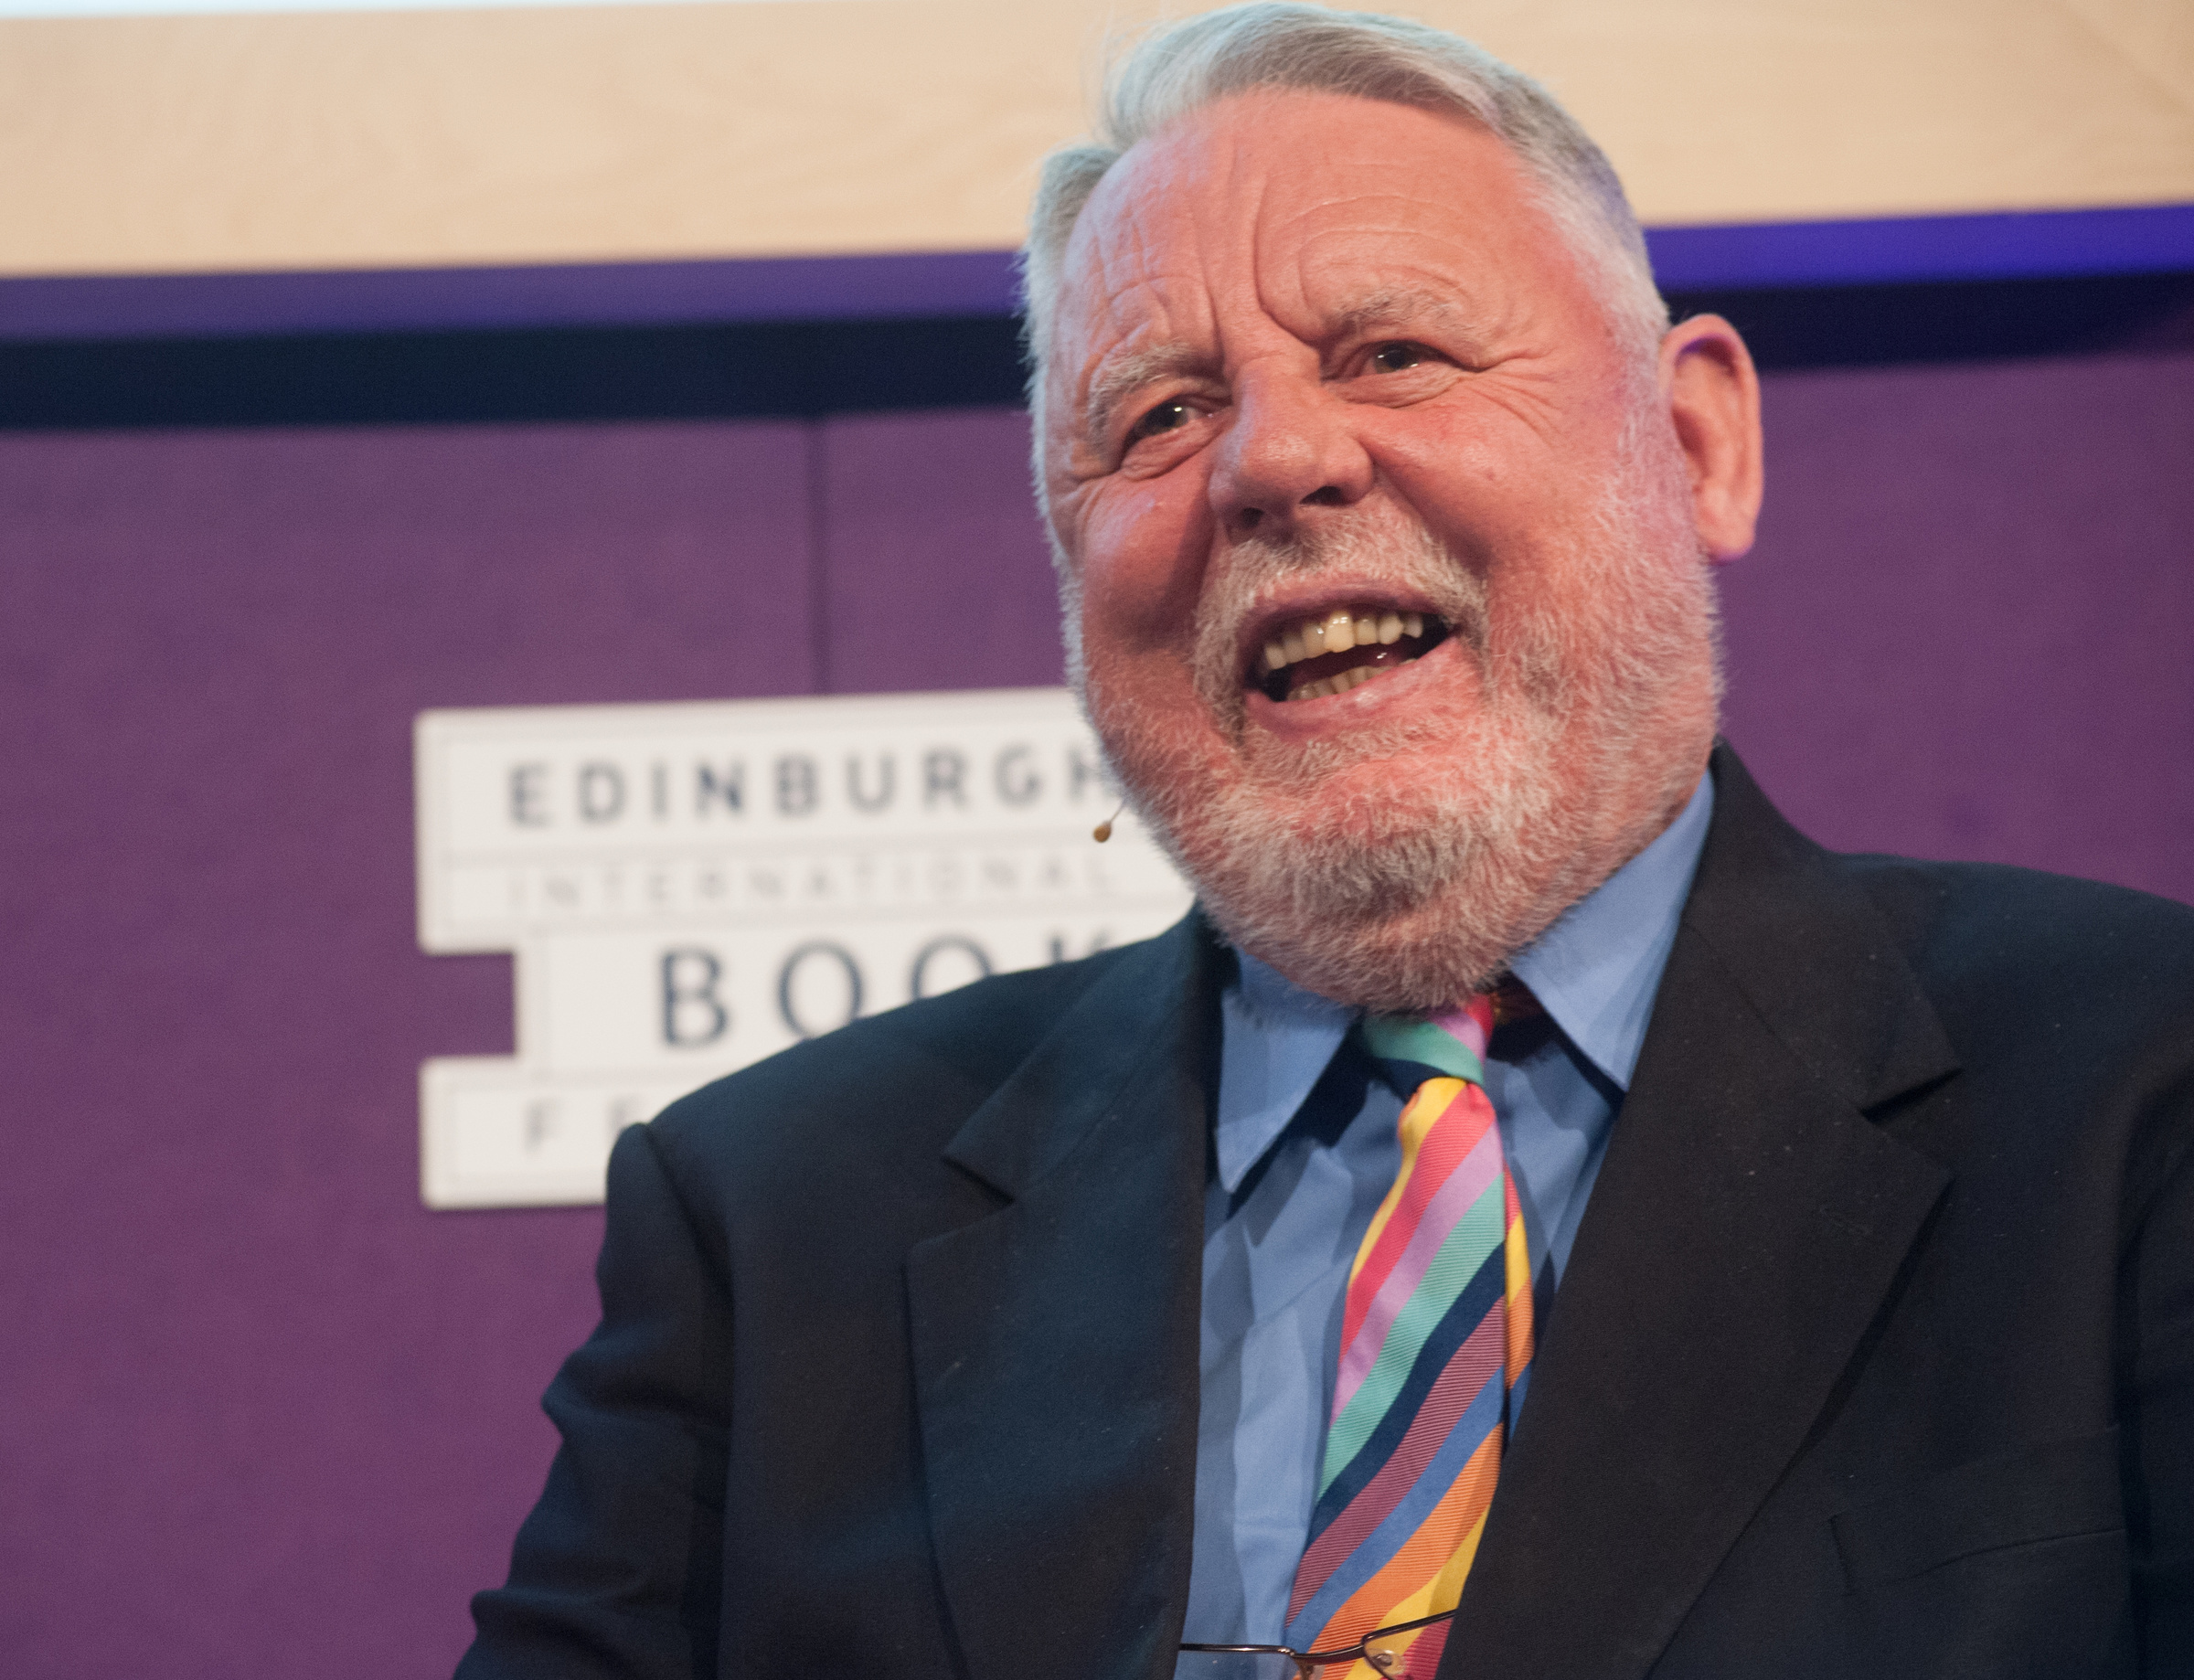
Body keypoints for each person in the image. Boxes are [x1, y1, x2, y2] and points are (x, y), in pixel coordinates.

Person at [454, 6, 2194, 1676]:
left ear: (1694, 441)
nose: (1273, 460)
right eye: (1157, 416)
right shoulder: (776, 1223)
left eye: (1395, 353)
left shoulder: (2136, 1085)